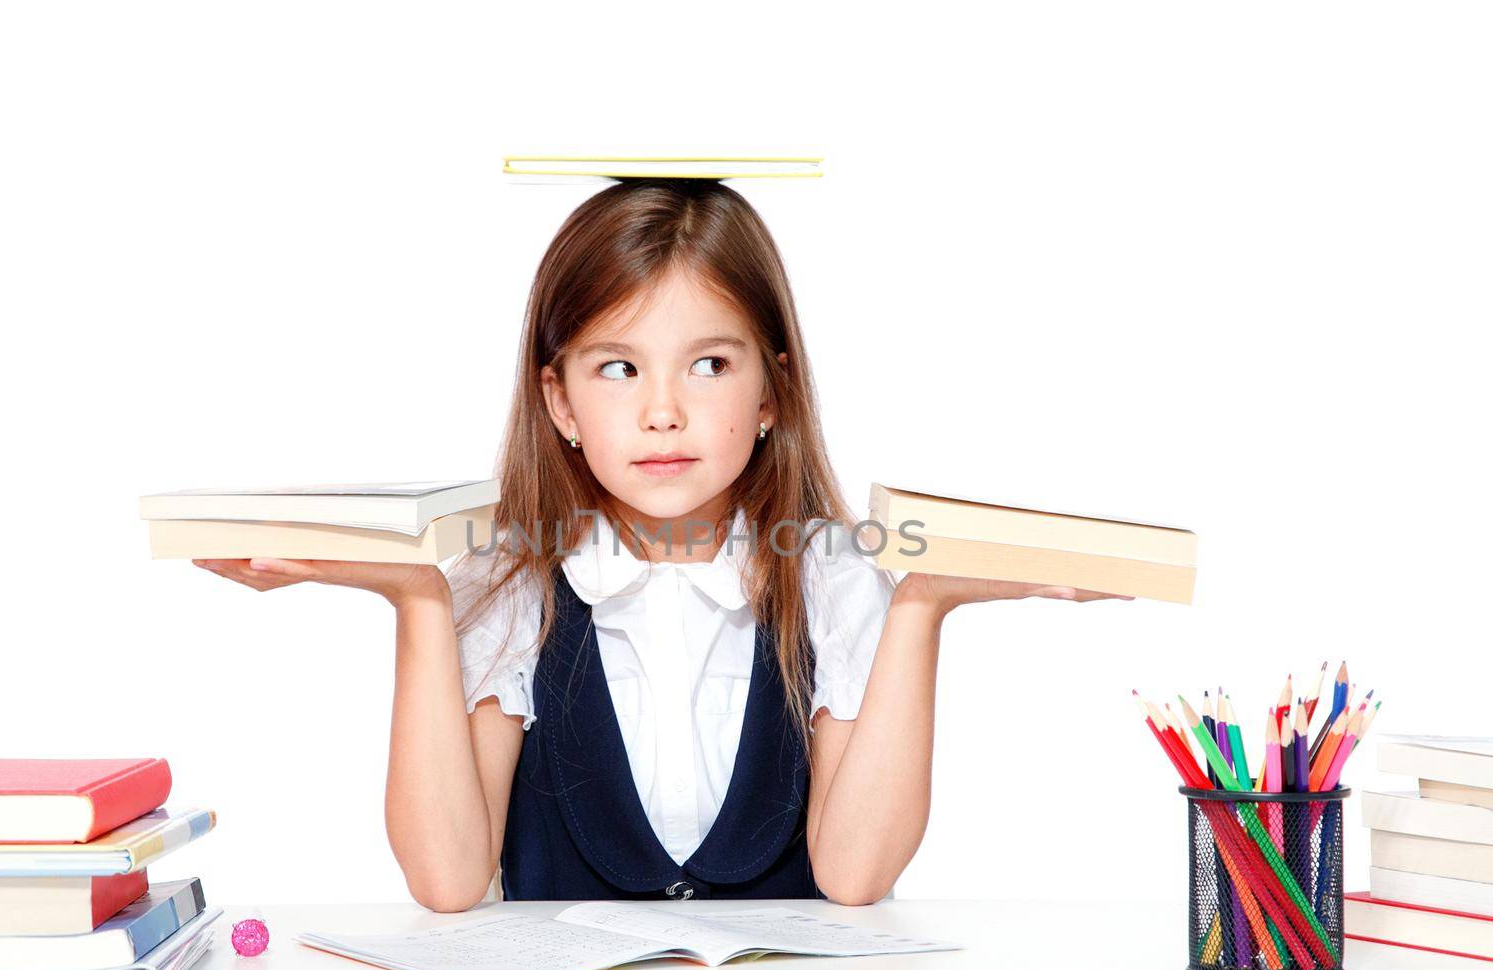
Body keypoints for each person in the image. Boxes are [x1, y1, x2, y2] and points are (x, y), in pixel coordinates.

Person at [194, 178, 1125, 910]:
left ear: (772, 394)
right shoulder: (511, 579)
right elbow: (447, 881)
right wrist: (418, 594)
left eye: (710, 364)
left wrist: (924, 601)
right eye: (618, 367)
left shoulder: (833, 578)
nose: (663, 410)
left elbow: (854, 876)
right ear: (560, 400)